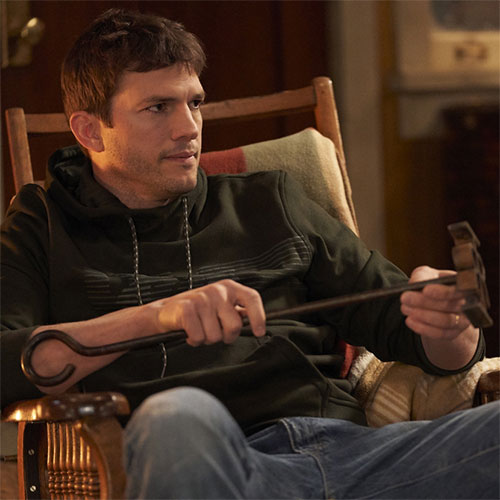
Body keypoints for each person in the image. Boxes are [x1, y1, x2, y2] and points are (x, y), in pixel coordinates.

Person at [1, 8, 498, 499]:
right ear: (90, 131)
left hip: (349, 456)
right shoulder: (42, 223)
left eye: (194, 103)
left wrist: (451, 324)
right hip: (207, 465)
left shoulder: (269, 200)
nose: (189, 128)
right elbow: (6, 361)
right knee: (177, 415)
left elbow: (410, 332)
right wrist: (155, 318)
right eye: (158, 107)